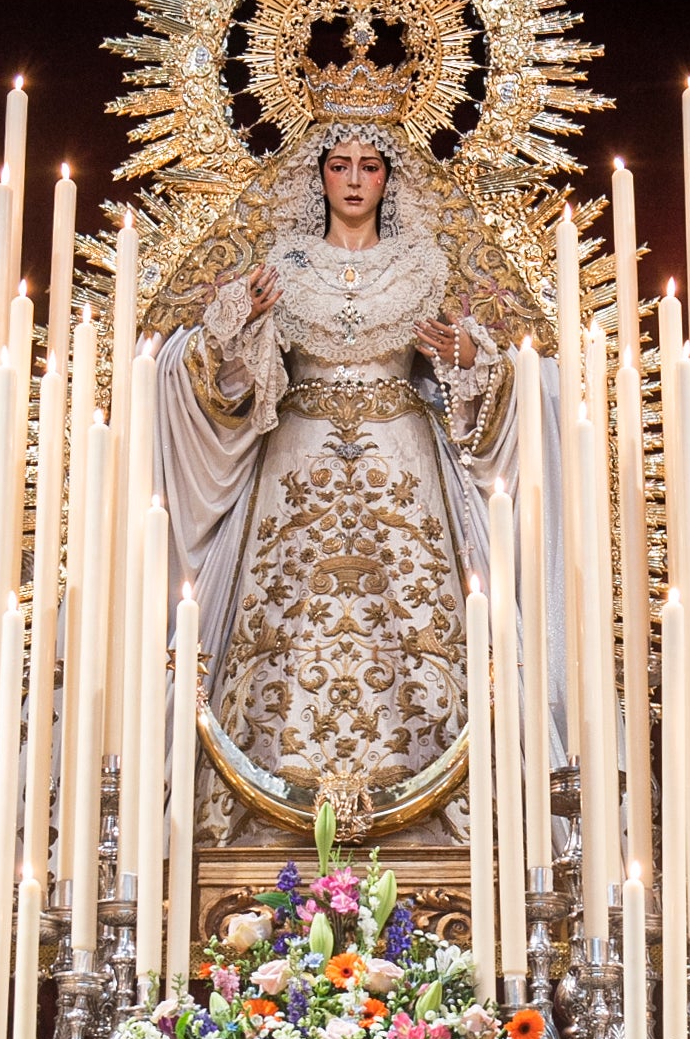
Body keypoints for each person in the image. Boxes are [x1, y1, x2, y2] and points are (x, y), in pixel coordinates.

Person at [159, 116, 526, 823]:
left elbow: (485, 376)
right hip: (298, 458)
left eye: (369, 165)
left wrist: (464, 355)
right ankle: (267, 799)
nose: (354, 179)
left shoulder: (423, 263)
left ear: (389, 178)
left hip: (403, 461)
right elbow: (234, 384)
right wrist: (237, 324)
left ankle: (433, 799)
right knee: (285, 619)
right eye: (340, 165)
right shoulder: (283, 265)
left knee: (418, 620)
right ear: (318, 174)